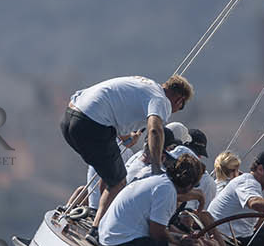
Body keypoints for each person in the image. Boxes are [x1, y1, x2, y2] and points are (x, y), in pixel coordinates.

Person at [63, 74, 192, 222]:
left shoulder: (144, 84)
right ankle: (97, 229)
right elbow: (155, 130)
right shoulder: (161, 100)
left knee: (109, 174)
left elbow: (112, 108)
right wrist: (156, 168)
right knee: (119, 182)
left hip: (70, 117)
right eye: (180, 107)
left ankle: (96, 215)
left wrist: (127, 138)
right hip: (91, 124)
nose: (175, 110)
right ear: (179, 100)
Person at [96, 152, 204, 246]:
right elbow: (157, 234)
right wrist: (179, 244)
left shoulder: (160, 181)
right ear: (189, 185)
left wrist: (179, 239)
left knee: (186, 244)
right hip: (119, 244)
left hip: (109, 237)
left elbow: (158, 230)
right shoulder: (167, 191)